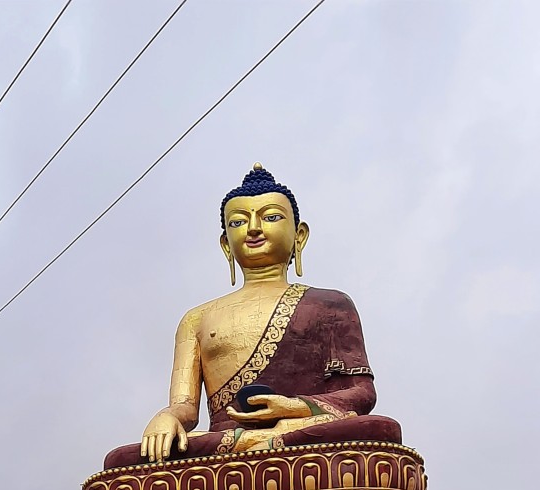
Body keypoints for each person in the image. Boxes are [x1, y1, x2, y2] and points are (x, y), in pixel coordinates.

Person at [104, 164, 402, 470]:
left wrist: (293, 408)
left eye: (271, 217)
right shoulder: (197, 319)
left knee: (380, 429)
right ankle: (256, 448)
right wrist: (168, 416)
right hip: (228, 440)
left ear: (299, 235)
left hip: (305, 433)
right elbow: (186, 409)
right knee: (120, 461)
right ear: (225, 245)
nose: (254, 228)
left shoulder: (330, 304)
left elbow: (361, 394)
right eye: (238, 222)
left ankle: (267, 445)